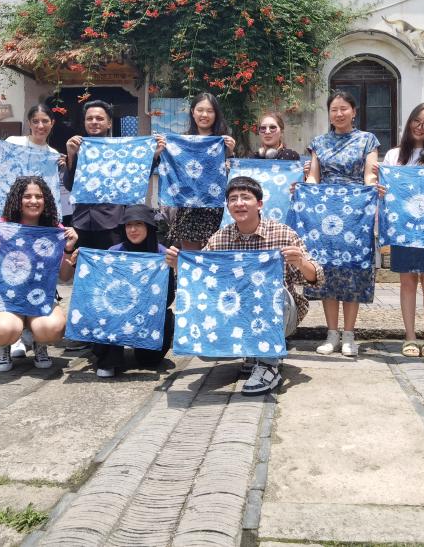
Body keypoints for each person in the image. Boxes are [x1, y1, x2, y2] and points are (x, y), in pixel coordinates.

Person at [165, 176, 324, 395]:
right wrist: (179, 265)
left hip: (282, 311)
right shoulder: (220, 238)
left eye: (245, 197)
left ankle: (268, 364)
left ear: (259, 204)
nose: (239, 203)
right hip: (236, 310)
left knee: (269, 292)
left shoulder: (283, 234)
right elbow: (202, 278)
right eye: (233, 199)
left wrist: (301, 262)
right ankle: (252, 350)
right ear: (228, 206)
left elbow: (317, 278)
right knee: (206, 346)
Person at [0, 176, 77, 372]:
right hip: (6, 298)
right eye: (27, 196)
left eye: (39, 196)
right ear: (18, 199)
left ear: (46, 200)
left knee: (52, 328)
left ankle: (38, 341)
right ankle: (4, 346)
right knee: (3, 329)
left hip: (40, 297)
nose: (33, 201)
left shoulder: (55, 230)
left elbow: (65, 277)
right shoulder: (2, 227)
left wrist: (68, 248)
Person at [0, 104, 67, 360]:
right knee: (11, 270)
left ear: (52, 123)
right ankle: (11, 336)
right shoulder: (13, 143)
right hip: (10, 222)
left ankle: (33, 334)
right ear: (29, 123)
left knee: (38, 271)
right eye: (36, 121)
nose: (40, 125)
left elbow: (55, 191)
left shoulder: (53, 155)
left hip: (42, 225)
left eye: (45, 121)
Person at [305, 90, 379, 357]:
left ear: (354, 111)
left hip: (356, 214)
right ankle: (331, 334)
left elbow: (370, 176)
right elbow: (314, 177)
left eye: (344, 108)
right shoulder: (319, 142)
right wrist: (304, 190)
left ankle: (349, 335)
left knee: (352, 271)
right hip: (325, 214)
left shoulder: (367, 140)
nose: (339, 113)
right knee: (327, 271)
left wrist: (373, 190)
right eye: (334, 109)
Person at [378, 103, 424, 358]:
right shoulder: (394, 155)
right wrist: (381, 189)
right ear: (409, 122)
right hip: (403, 227)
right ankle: (409, 336)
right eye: (416, 121)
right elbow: (386, 190)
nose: (420, 127)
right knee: (407, 281)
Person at [63, 100, 127, 351]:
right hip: (82, 222)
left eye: (100, 118)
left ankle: (110, 330)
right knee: (84, 278)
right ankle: (84, 331)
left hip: (112, 222)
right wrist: (71, 155)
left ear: (109, 123)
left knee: (110, 277)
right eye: (90, 118)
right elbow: (70, 185)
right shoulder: (78, 148)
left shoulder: (122, 149)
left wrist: (153, 155)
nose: (94, 122)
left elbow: (138, 175)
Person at [90, 205, 175, 378]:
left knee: (149, 360)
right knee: (107, 309)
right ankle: (109, 358)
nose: (133, 229)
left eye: (138, 224)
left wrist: (174, 266)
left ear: (148, 227)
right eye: (128, 225)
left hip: (149, 313)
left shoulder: (162, 254)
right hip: (118, 310)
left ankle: (143, 346)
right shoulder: (114, 253)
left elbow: (168, 298)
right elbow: (101, 289)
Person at [166, 92, 236, 250]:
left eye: (210, 111)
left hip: (216, 207)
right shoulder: (181, 141)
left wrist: (231, 154)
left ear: (216, 114)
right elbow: (172, 168)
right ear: (193, 112)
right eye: (200, 110)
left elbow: (234, 176)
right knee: (192, 258)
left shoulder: (223, 141)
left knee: (216, 257)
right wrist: (160, 151)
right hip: (189, 208)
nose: (204, 115)